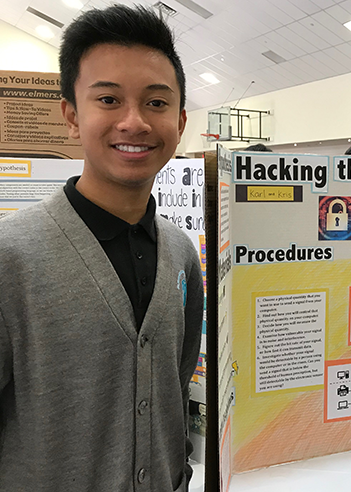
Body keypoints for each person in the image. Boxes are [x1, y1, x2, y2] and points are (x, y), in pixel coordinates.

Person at [0, 5, 203, 492]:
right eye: (109, 100)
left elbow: (174, 392)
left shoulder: (181, 254)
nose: (134, 122)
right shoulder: (12, 257)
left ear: (179, 120)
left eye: (156, 103)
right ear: (72, 115)